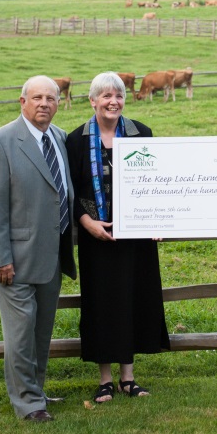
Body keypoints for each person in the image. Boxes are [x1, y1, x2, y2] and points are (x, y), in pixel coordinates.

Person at [66, 71, 169, 402]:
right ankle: (105, 379)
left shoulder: (142, 133)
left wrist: (157, 220)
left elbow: (156, 182)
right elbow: (71, 191)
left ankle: (129, 377)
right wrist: (87, 222)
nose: (113, 101)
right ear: (92, 101)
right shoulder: (76, 139)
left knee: (134, 298)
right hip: (98, 235)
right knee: (102, 302)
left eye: (119, 95)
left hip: (136, 235)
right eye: (106, 96)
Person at [0, 75, 76, 421]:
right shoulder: (1, 142)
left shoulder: (61, 139)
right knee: (20, 334)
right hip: (14, 261)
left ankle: (36, 391)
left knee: (40, 331)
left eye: (51, 98)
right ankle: (29, 404)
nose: (44, 104)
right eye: (37, 98)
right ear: (22, 102)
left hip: (50, 258)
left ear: (59, 103)